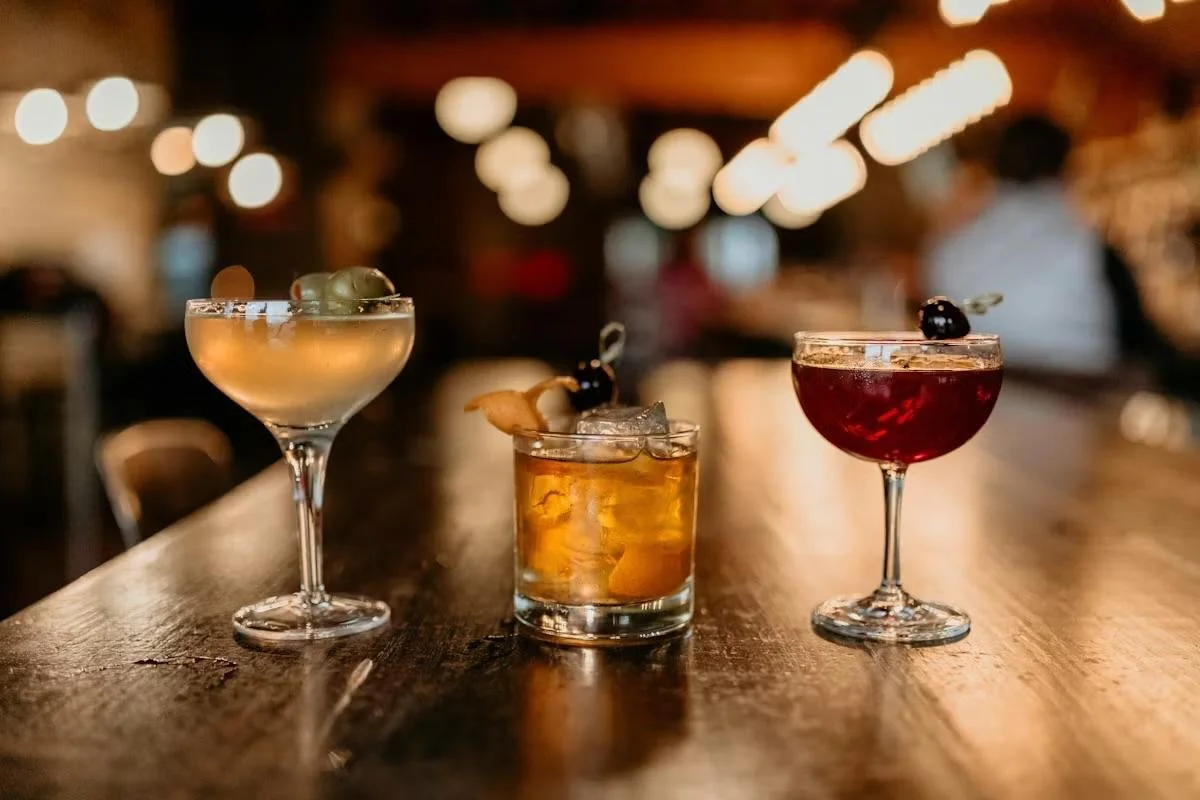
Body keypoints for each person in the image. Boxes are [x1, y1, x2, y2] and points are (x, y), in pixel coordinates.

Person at [923, 115, 1145, 381]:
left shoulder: (951, 247)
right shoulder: (1086, 245)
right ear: (1066, 166)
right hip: (1079, 399)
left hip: (984, 394)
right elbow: (1136, 336)